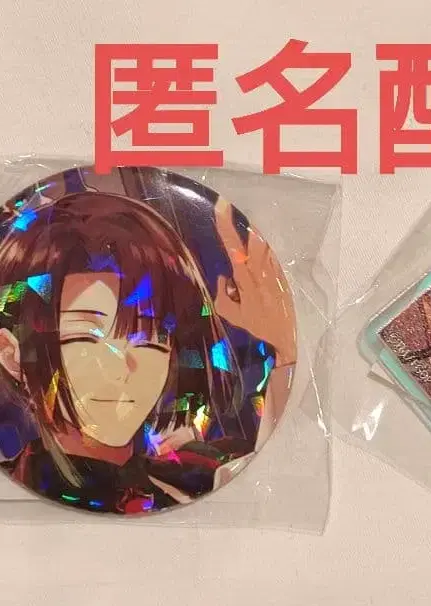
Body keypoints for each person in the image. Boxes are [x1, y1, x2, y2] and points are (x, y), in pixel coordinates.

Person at [0, 191, 274, 514]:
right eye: (86, 336)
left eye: (152, 339)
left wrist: (285, 353)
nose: (123, 368)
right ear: (11, 354)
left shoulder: (191, 477)